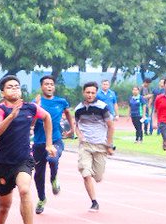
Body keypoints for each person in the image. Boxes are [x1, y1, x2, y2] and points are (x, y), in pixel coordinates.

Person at [0, 75, 54, 224]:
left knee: (25, 189)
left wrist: (49, 143)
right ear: (3, 92)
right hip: (4, 163)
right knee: (4, 206)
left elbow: (47, 117)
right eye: (10, 87)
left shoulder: (30, 107)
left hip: (24, 159)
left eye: (17, 86)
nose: (14, 89)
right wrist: (11, 116)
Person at [32, 75, 74, 215]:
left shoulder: (61, 102)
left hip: (56, 139)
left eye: (51, 84)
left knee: (53, 158)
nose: (49, 86)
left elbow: (68, 113)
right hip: (39, 142)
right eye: (46, 84)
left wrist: (72, 129)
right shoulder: (36, 102)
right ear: (41, 87)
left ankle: (54, 178)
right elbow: (31, 123)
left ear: (54, 87)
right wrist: (36, 107)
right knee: (38, 174)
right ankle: (42, 199)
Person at [72, 81, 116, 211]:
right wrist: (79, 135)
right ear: (83, 92)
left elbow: (111, 126)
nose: (90, 95)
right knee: (86, 173)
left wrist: (109, 145)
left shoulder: (103, 107)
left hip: (100, 145)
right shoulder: (78, 109)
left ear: (96, 93)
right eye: (88, 92)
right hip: (85, 145)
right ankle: (94, 202)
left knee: (97, 177)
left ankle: (96, 179)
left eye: (92, 92)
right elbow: (77, 125)